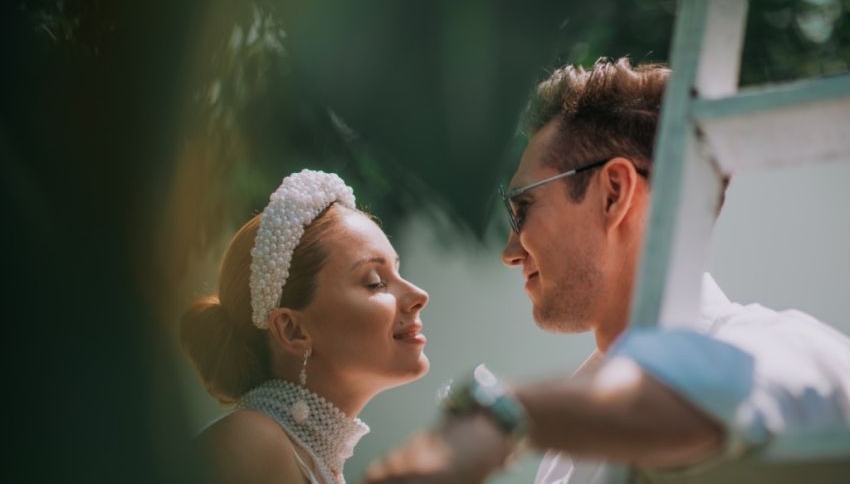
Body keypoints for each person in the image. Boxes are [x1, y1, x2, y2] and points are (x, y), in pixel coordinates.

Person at [362, 58, 850, 483]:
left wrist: (499, 414)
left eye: (522, 208)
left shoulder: (779, 344)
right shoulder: (568, 444)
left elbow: (735, 382)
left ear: (613, 193)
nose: (509, 250)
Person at [180, 169, 430, 484]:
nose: (419, 295)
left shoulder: (314, 463)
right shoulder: (250, 443)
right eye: (375, 282)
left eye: (397, 271)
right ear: (292, 330)